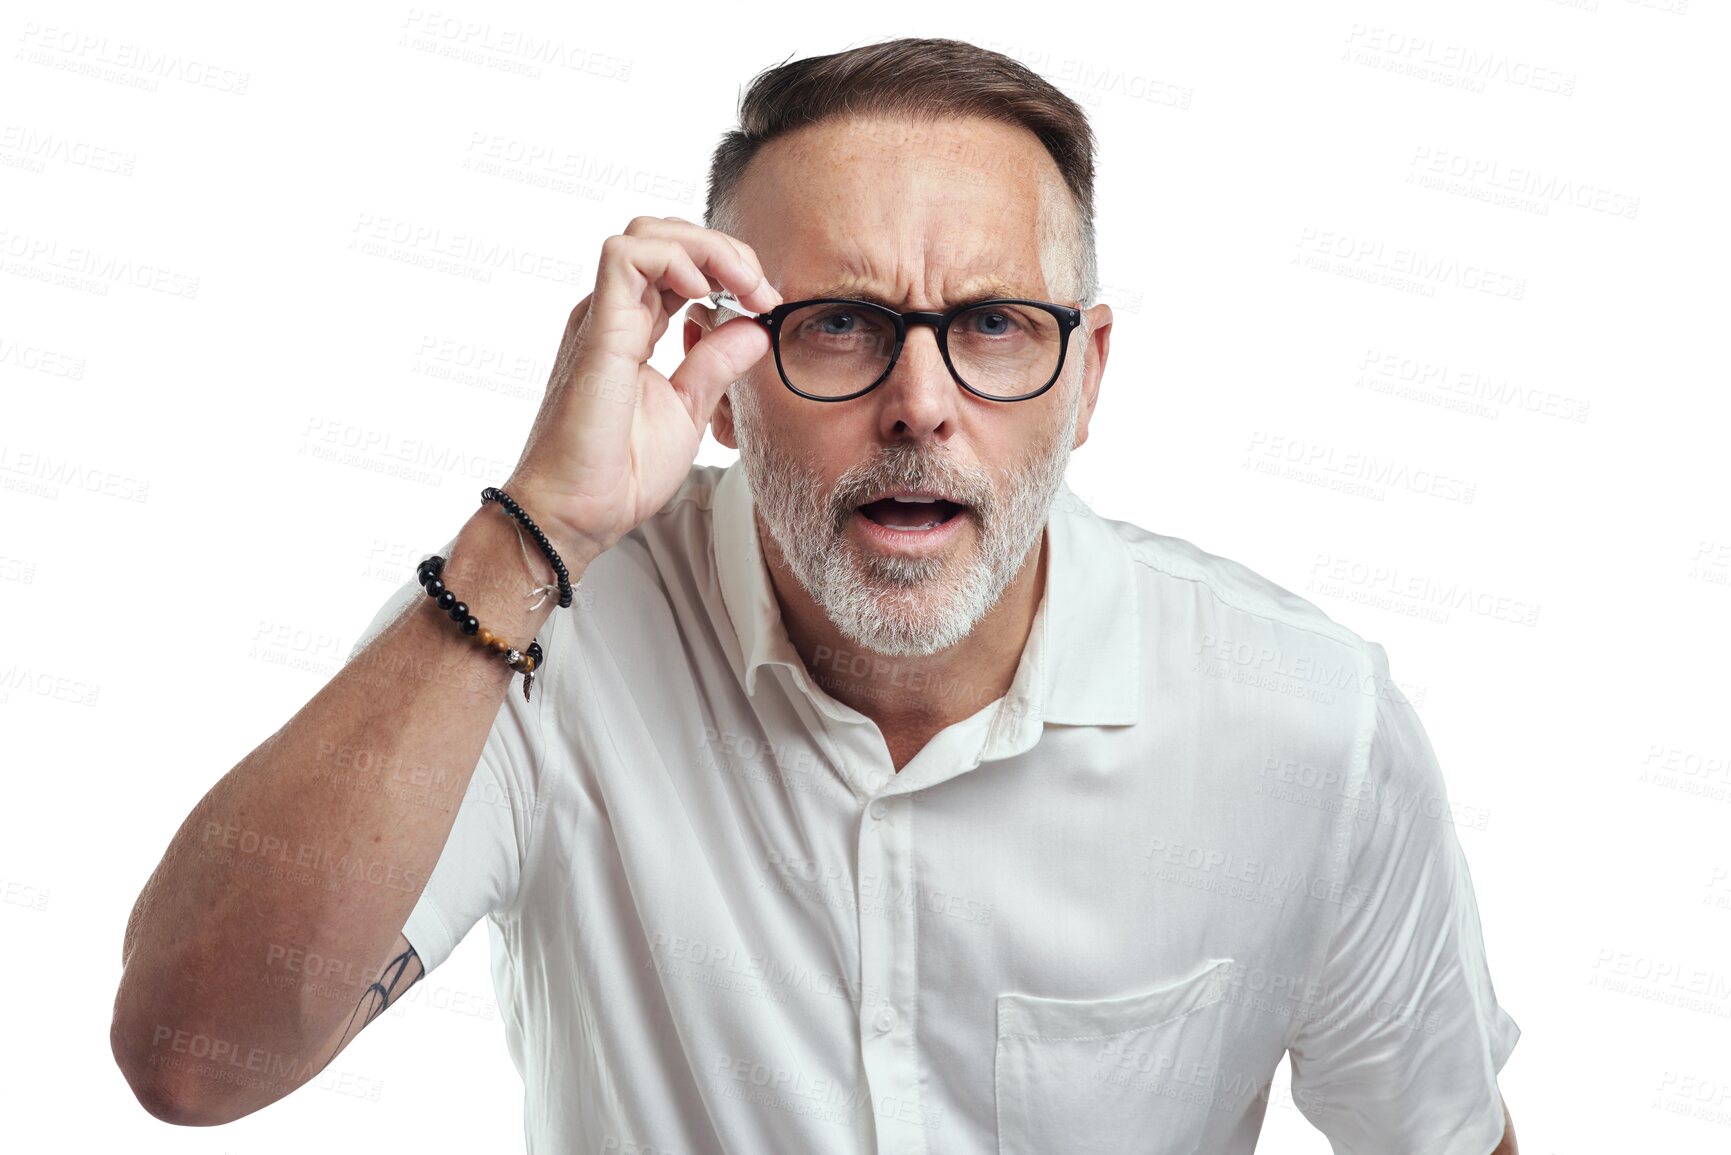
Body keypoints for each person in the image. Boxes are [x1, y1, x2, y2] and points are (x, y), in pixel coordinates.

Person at [111, 36, 1519, 1154]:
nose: (920, 406)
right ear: (721, 378)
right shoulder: (531, 634)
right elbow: (190, 1058)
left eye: (991, 326)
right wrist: (537, 526)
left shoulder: (1308, 725)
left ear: (1089, 378)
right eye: (837, 325)